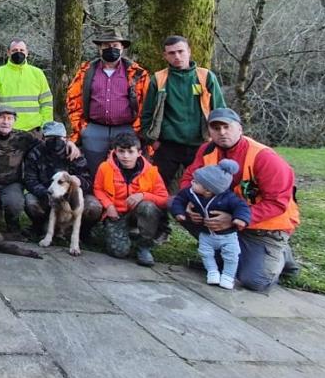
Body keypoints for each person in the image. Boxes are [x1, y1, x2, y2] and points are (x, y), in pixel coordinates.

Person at [179, 108, 300, 293]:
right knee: (176, 206)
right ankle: (224, 254)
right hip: (227, 222)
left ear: (240, 129)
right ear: (209, 131)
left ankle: (280, 253)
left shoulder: (265, 158)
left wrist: (235, 219)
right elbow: (189, 178)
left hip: (264, 228)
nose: (222, 132)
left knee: (255, 281)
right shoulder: (207, 150)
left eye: (226, 126)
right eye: (215, 127)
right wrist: (190, 200)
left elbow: (277, 203)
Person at [141, 35, 227, 191]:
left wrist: (216, 140)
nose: (177, 56)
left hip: (200, 145)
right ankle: (159, 215)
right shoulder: (159, 79)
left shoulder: (205, 77)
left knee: (205, 188)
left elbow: (220, 111)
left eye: (181, 51)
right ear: (165, 56)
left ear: (189, 51)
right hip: (167, 146)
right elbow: (147, 114)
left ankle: (199, 215)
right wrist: (152, 141)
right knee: (156, 189)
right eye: (171, 53)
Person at [67, 28, 150, 176]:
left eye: (115, 46)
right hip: (94, 128)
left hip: (126, 128)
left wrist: (138, 130)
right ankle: (94, 197)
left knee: (127, 170)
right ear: (100, 48)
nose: (111, 49)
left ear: (122, 48)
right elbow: (73, 100)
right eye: (106, 46)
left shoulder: (137, 73)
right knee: (94, 170)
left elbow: (146, 104)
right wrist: (82, 128)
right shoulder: (86, 71)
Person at [170, 159, 251, 290]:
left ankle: (228, 276)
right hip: (206, 233)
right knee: (205, 253)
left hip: (227, 236)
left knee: (231, 255)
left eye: (196, 182)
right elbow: (179, 200)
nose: (192, 183)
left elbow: (241, 207)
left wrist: (240, 218)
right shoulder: (190, 193)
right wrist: (179, 212)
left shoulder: (228, 198)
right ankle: (212, 271)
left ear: (208, 190)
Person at [92, 131, 168, 266]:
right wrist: (109, 206)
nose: (125, 156)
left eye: (130, 152)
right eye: (121, 151)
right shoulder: (105, 168)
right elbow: (98, 189)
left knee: (148, 207)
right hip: (117, 214)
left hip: (139, 212)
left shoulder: (151, 171)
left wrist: (143, 195)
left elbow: (164, 199)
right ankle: (125, 233)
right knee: (119, 252)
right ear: (114, 151)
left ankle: (144, 246)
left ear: (139, 153)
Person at [23, 121, 99, 238]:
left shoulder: (74, 153)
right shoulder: (35, 153)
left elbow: (88, 181)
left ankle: (84, 233)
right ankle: (39, 227)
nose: (55, 141)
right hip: (47, 196)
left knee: (94, 207)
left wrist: (78, 180)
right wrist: (48, 194)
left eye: (59, 137)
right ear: (43, 138)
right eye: (50, 137)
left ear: (66, 138)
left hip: (72, 197)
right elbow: (30, 181)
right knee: (30, 202)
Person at [0, 39, 53, 133]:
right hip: (7, 130)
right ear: (8, 53)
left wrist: (45, 124)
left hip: (34, 130)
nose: (18, 53)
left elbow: (46, 102)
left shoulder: (38, 73)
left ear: (27, 53)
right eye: (14, 50)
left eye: (22, 50)